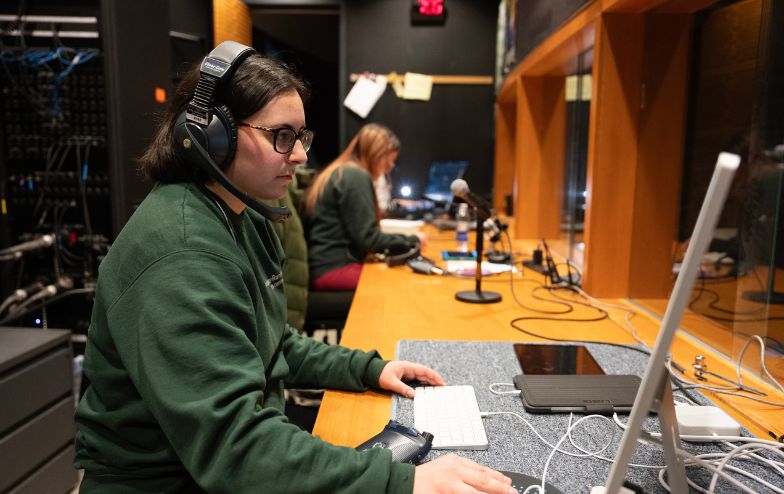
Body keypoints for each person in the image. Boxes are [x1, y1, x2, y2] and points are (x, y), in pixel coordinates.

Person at [73, 42, 514, 494]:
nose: (301, 155)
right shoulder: (182, 254)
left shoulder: (245, 215)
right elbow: (237, 450)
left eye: (301, 137)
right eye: (282, 136)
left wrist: (367, 370)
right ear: (212, 136)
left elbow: (272, 340)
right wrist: (403, 482)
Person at [305, 123, 422, 291]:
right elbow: (368, 239)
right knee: (399, 286)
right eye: (389, 160)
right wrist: (414, 240)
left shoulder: (343, 170)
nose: (389, 167)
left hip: (327, 265)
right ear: (376, 153)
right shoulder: (355, 176)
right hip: (334, 267)